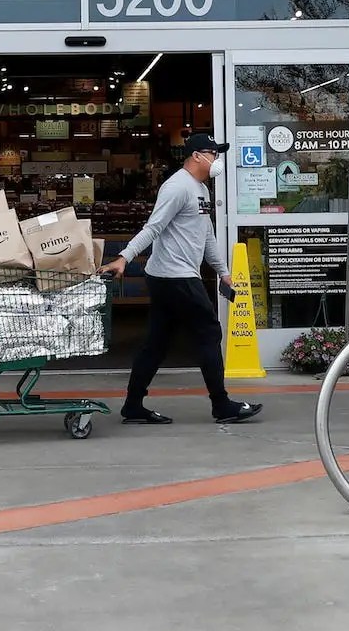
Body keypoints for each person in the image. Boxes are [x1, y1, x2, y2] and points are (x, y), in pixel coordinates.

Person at [103, 134, 263, 426]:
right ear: (196, 156)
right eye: (213, 153)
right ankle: (222, 405)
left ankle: (133, 405)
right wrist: (124, 257)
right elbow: (153, 227)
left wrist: (223, 272)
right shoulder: (177, 187)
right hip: (175, 276)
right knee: (209, 333)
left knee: (156, 343)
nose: (217, 159)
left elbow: (207, 235)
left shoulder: (201, 189)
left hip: (171, 277)